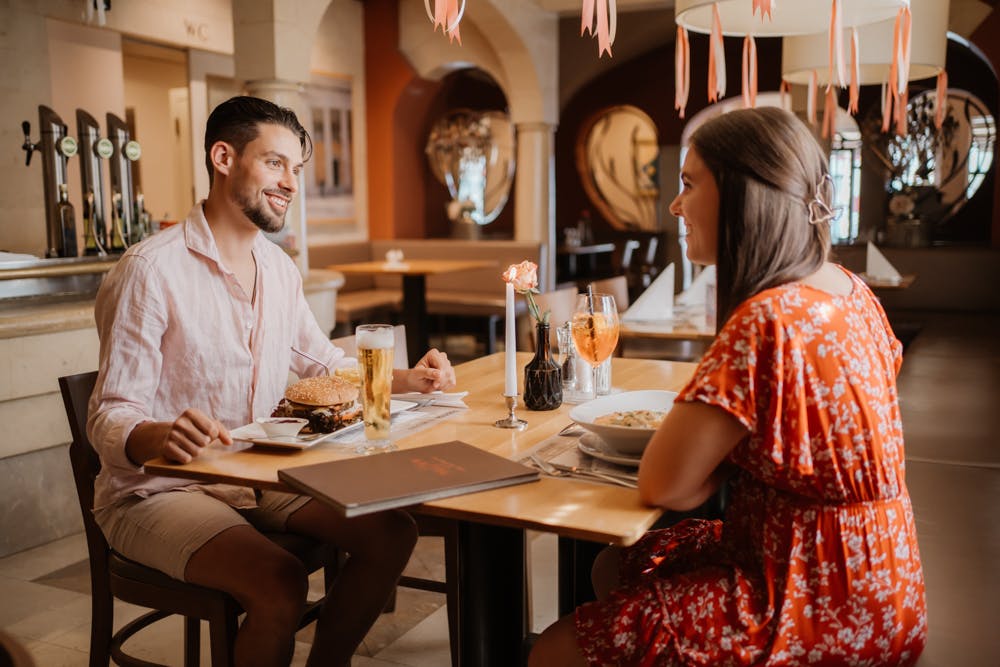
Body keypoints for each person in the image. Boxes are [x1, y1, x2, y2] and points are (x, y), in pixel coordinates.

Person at [529, 107, 927, 666]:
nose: (675, 205)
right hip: (886, 581)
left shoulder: (767, 318)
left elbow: (665, 487)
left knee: (553, 651)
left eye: (689, 184)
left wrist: (708, 455)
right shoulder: (852, 291)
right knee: (615, 564)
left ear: (744, 196)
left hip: (810, 596)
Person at [87, 95, 456, 667]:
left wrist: (410, 379)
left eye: (297, 170)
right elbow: (109, 414)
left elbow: (322, 364)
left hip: (257, 472)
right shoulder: (149, 270)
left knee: (392, 532)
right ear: (223, 157)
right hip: (158, 493)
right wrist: (159, 435)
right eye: (276, 163)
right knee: (281, 580)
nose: (291, 183)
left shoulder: (279, 269)